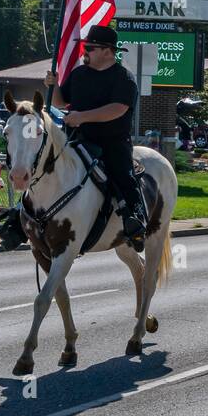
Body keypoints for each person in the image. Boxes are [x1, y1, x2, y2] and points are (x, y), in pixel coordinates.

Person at [44, 23, 146, 251]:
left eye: (90, 48)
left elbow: (118, 109)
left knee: (123, 176)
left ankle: (137, 222)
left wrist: (82, 117)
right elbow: (61, 102)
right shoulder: (79, 74)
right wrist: (54, 85)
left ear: (108, 51)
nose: (85, 52)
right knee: (45, 167)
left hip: (112, 143)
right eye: (85, 47)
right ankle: (30, 215)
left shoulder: (123, 78)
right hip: (77, 139)